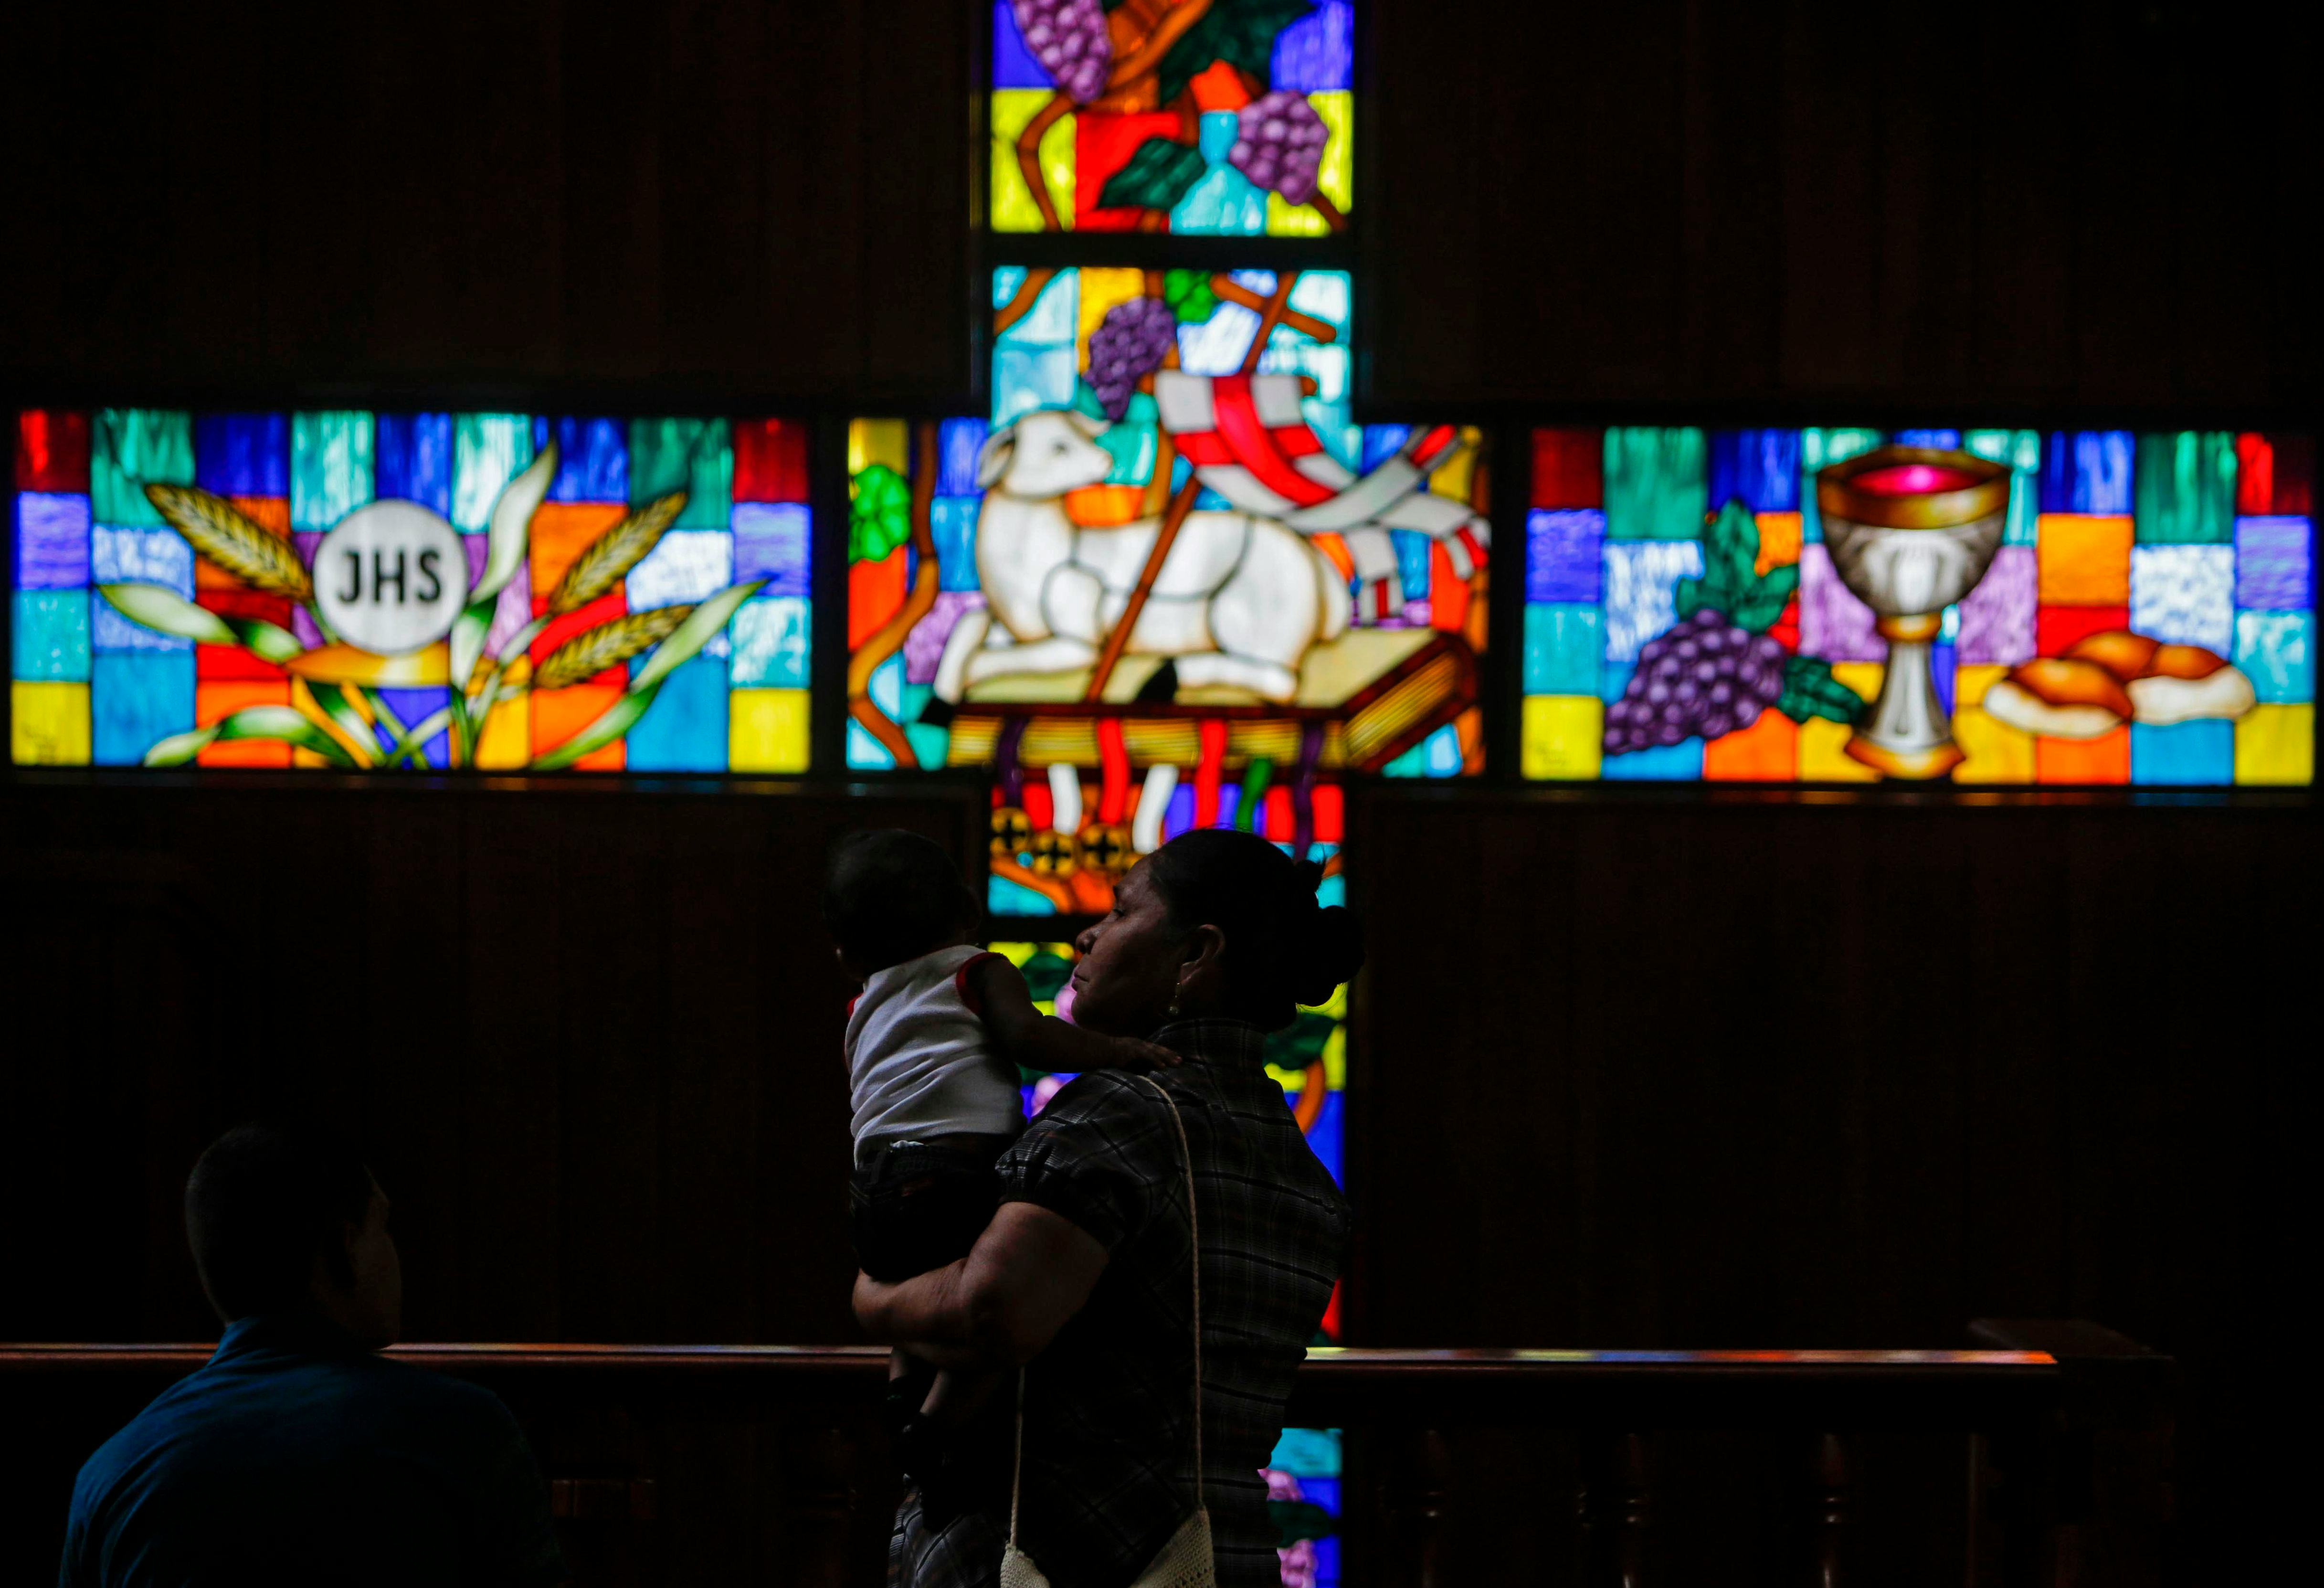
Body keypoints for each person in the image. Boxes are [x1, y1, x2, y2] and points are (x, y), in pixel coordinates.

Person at [854, 827, 1361, 1588]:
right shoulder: (1297, 1165)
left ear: (1196, 954)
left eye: (1121, 911)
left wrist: (872, 1298)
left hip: (1070, 1555)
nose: (1086, 934)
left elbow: (993, 1313)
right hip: (1216, 1553)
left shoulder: (1122, 1115)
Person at [59, 1123, 566, 1588]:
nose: (395, 1254)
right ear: (345, 1249)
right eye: (383, 1228)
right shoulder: (465, 1432)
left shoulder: (113, 1472)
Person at [826, 829, 1175, 1455]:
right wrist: (1117, 1051)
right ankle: (938, 1422)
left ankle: (902, 1386)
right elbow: (1029, 1036)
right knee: (988, 1310)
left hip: (873, 1184)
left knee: (913, 1273)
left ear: (847, 956)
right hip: (956, 1168)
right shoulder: (976, 969)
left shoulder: (862, 1007)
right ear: (967, 911)